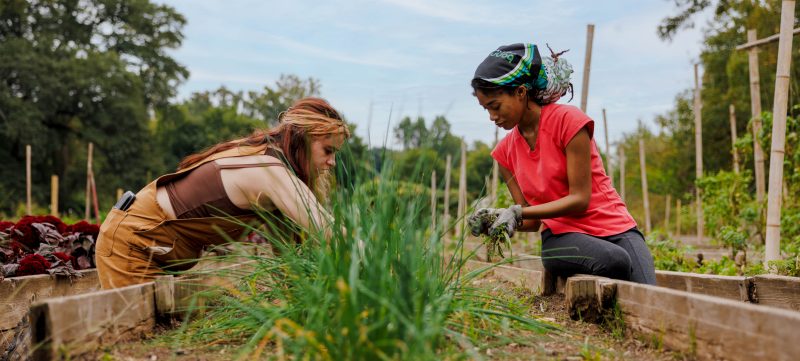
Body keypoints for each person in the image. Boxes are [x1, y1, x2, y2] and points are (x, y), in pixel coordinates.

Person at [95, 97, 350, 289]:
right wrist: (377, 265)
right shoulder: (269, 170)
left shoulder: (274, 165)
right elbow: (326, 230)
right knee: (132, 334)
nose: (332, 163)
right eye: (328, 150)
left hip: (158, 250)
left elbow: (288, 253)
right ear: (301, 138)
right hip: (131, 244)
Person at [467, 43, 656, 285]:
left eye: (495, 106)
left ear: (521, 92)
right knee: (616, 262)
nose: (492, 117)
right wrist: (496, 218)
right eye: (486, 109)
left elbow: (580, 200)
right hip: (562, 236)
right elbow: (533, 221)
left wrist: (517, 212)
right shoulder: (505, 153)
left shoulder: (569, 121)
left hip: (615, 226)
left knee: (649, 292)